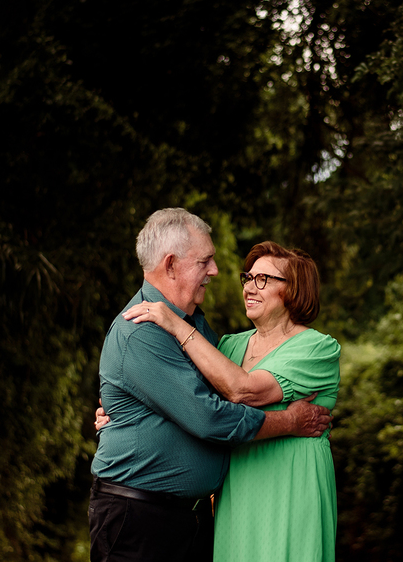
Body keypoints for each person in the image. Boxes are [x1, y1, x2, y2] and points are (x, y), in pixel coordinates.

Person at [90, 209, 331, 562]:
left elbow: (222, 390)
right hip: (140, 520)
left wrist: (120, 417)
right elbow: (210, 417)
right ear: (171, 265)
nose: (216, 271)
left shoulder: (196, 328)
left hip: (195, 520)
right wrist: (291, 422)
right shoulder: (140, 330)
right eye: (205, 261)